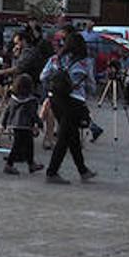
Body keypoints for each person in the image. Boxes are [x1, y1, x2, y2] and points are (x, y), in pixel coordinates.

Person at [40, 28, 98, 184]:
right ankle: (52, 172)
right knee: (64, 137)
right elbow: (92, 86)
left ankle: (83, 170)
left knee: (72, 136)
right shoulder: (85, 63)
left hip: (56, 99)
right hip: (74, 102)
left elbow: (43, 77)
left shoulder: (55, 59)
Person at [3, 74, 45, 176]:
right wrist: (39, 123)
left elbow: (7, 111)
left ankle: (31, 163)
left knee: (26, 144)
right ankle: (9, 164)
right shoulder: (31, 100)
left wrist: (4, 122)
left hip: (15, 124)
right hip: (26, 125)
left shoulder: (13, 99)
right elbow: (32, 114)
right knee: (20, 145)